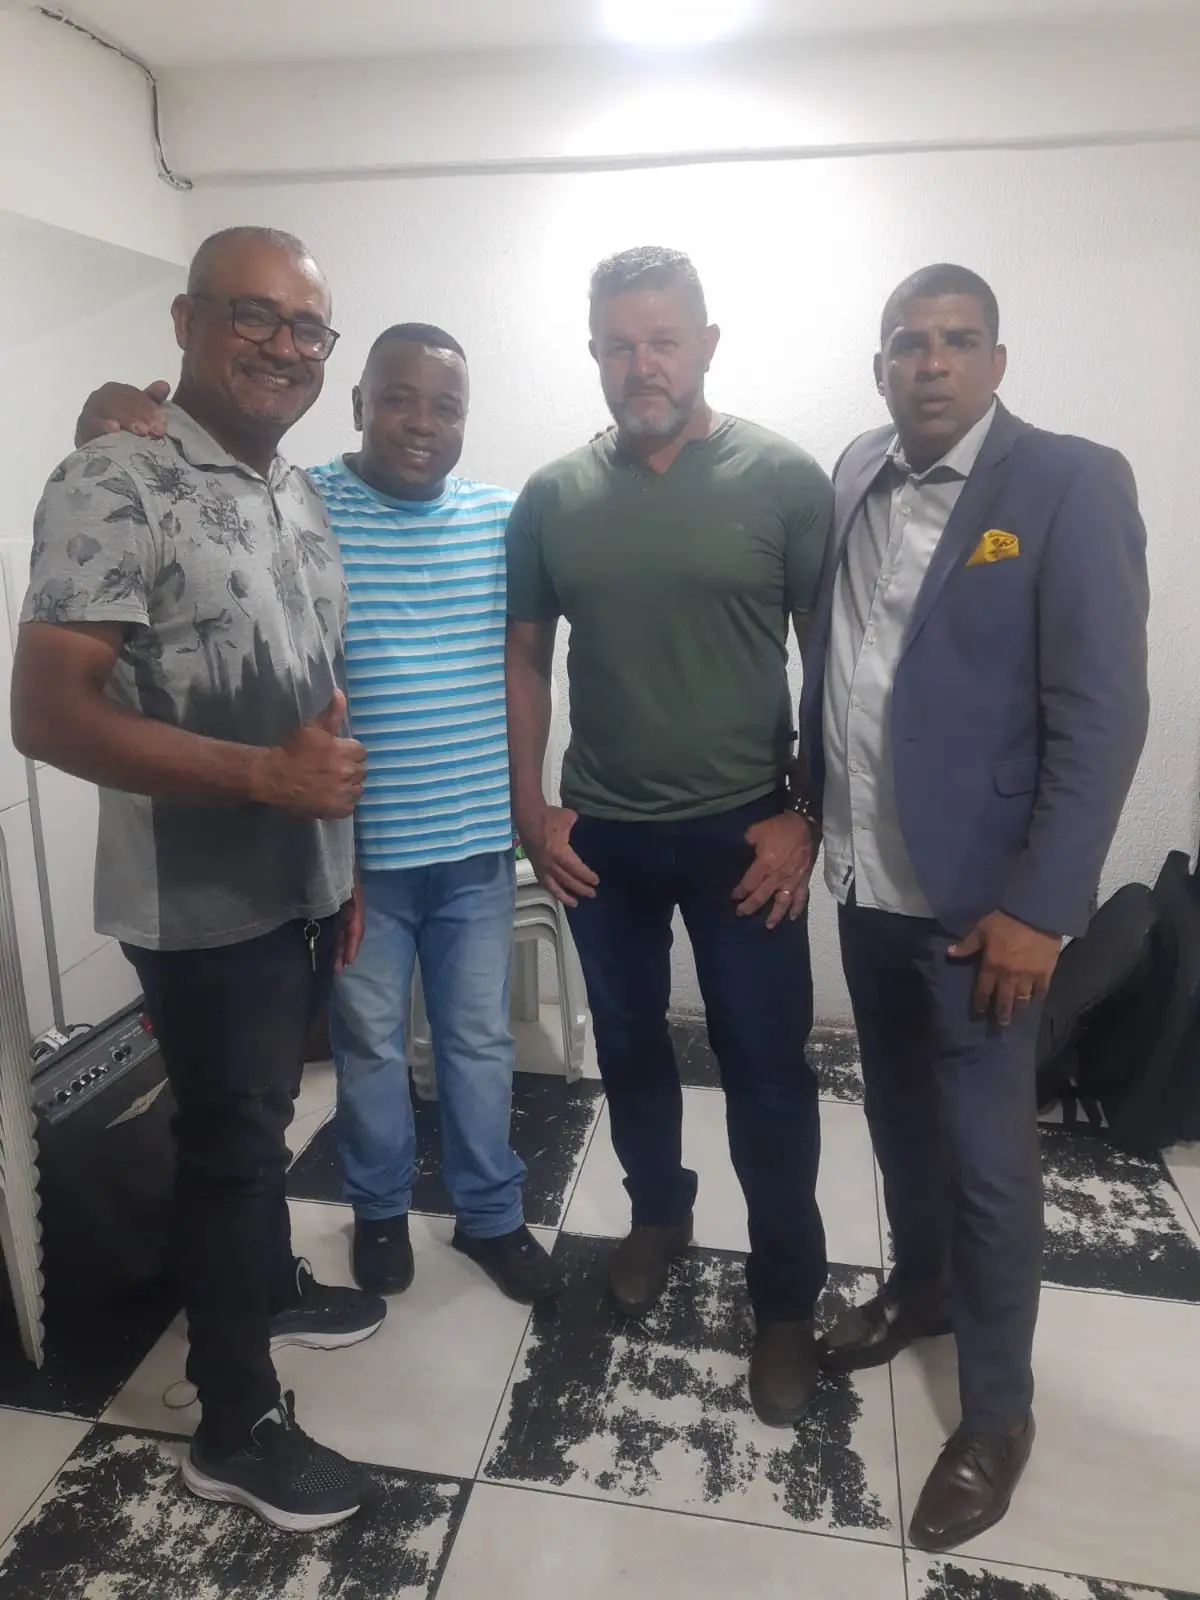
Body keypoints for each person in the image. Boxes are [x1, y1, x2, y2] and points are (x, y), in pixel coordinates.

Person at [13, 226, 388, 1533]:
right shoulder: (114, 478)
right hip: (199, 902)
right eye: (253, 315)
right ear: (186, 322)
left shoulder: (295, 493)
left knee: (261, 1123)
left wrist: (337, 862)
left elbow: (315, 692)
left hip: (300, 881)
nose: (284, 345)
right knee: (229, 1150)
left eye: (307, 326)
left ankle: (264, 1286)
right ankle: (236, 1426)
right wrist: (265, 780)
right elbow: (47, 713)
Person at [74, 326, 558, 1307]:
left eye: (447, 406)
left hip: (473, 847)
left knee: (477, 1041)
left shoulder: (502, 519)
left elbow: (527, 664)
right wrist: (109, 413)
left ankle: (492, 1215)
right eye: (400, 398)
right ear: (359, 403)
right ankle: (379, 1212)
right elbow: (196, 483)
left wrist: (529, 808)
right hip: (358, 854)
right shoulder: (304, 501)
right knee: (369, 1044)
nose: (422, 422)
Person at [795, 263, 1149, 1550]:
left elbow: (1102, 716)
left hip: (984, 907)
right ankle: (924, 1287)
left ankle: (998, 1412)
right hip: (867, 882)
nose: (931, 362)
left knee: (992, 1162)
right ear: (880, 366)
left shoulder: (1069, 483)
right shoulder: (855, 470)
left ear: (997, 361)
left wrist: (1042, 909)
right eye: (908, 342)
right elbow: (843, 663)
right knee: (898, 1117)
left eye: (957, 341)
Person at [505, 245, 833, 1426]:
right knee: (632, 1045)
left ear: (706, 344)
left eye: (663, 341)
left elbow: (831, 663)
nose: (642, 364)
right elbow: (527, 655)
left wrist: (807, 813)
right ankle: (659, 1212)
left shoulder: (784, 478)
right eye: (619, 344)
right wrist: (529, 806)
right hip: (604, 835)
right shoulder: (554, 496)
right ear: (595, 352)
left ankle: (785, 1299)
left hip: (748, 837)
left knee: (766, 1067)